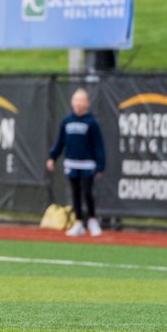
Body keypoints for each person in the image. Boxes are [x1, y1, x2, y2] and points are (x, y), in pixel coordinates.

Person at [47, 87, 106, 237]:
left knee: (87, 192)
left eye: (81, 101)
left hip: (87, 164)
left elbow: (98, 145)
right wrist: (52, 157)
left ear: (87, 103)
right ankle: (78, 222)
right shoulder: (67, 121)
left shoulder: (91, 122)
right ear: (72, 102)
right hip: (71, 163)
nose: (78, 104)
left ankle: (92, 221)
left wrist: (100, 165)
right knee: (75, 194)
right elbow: (60, 142)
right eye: (76, 100)